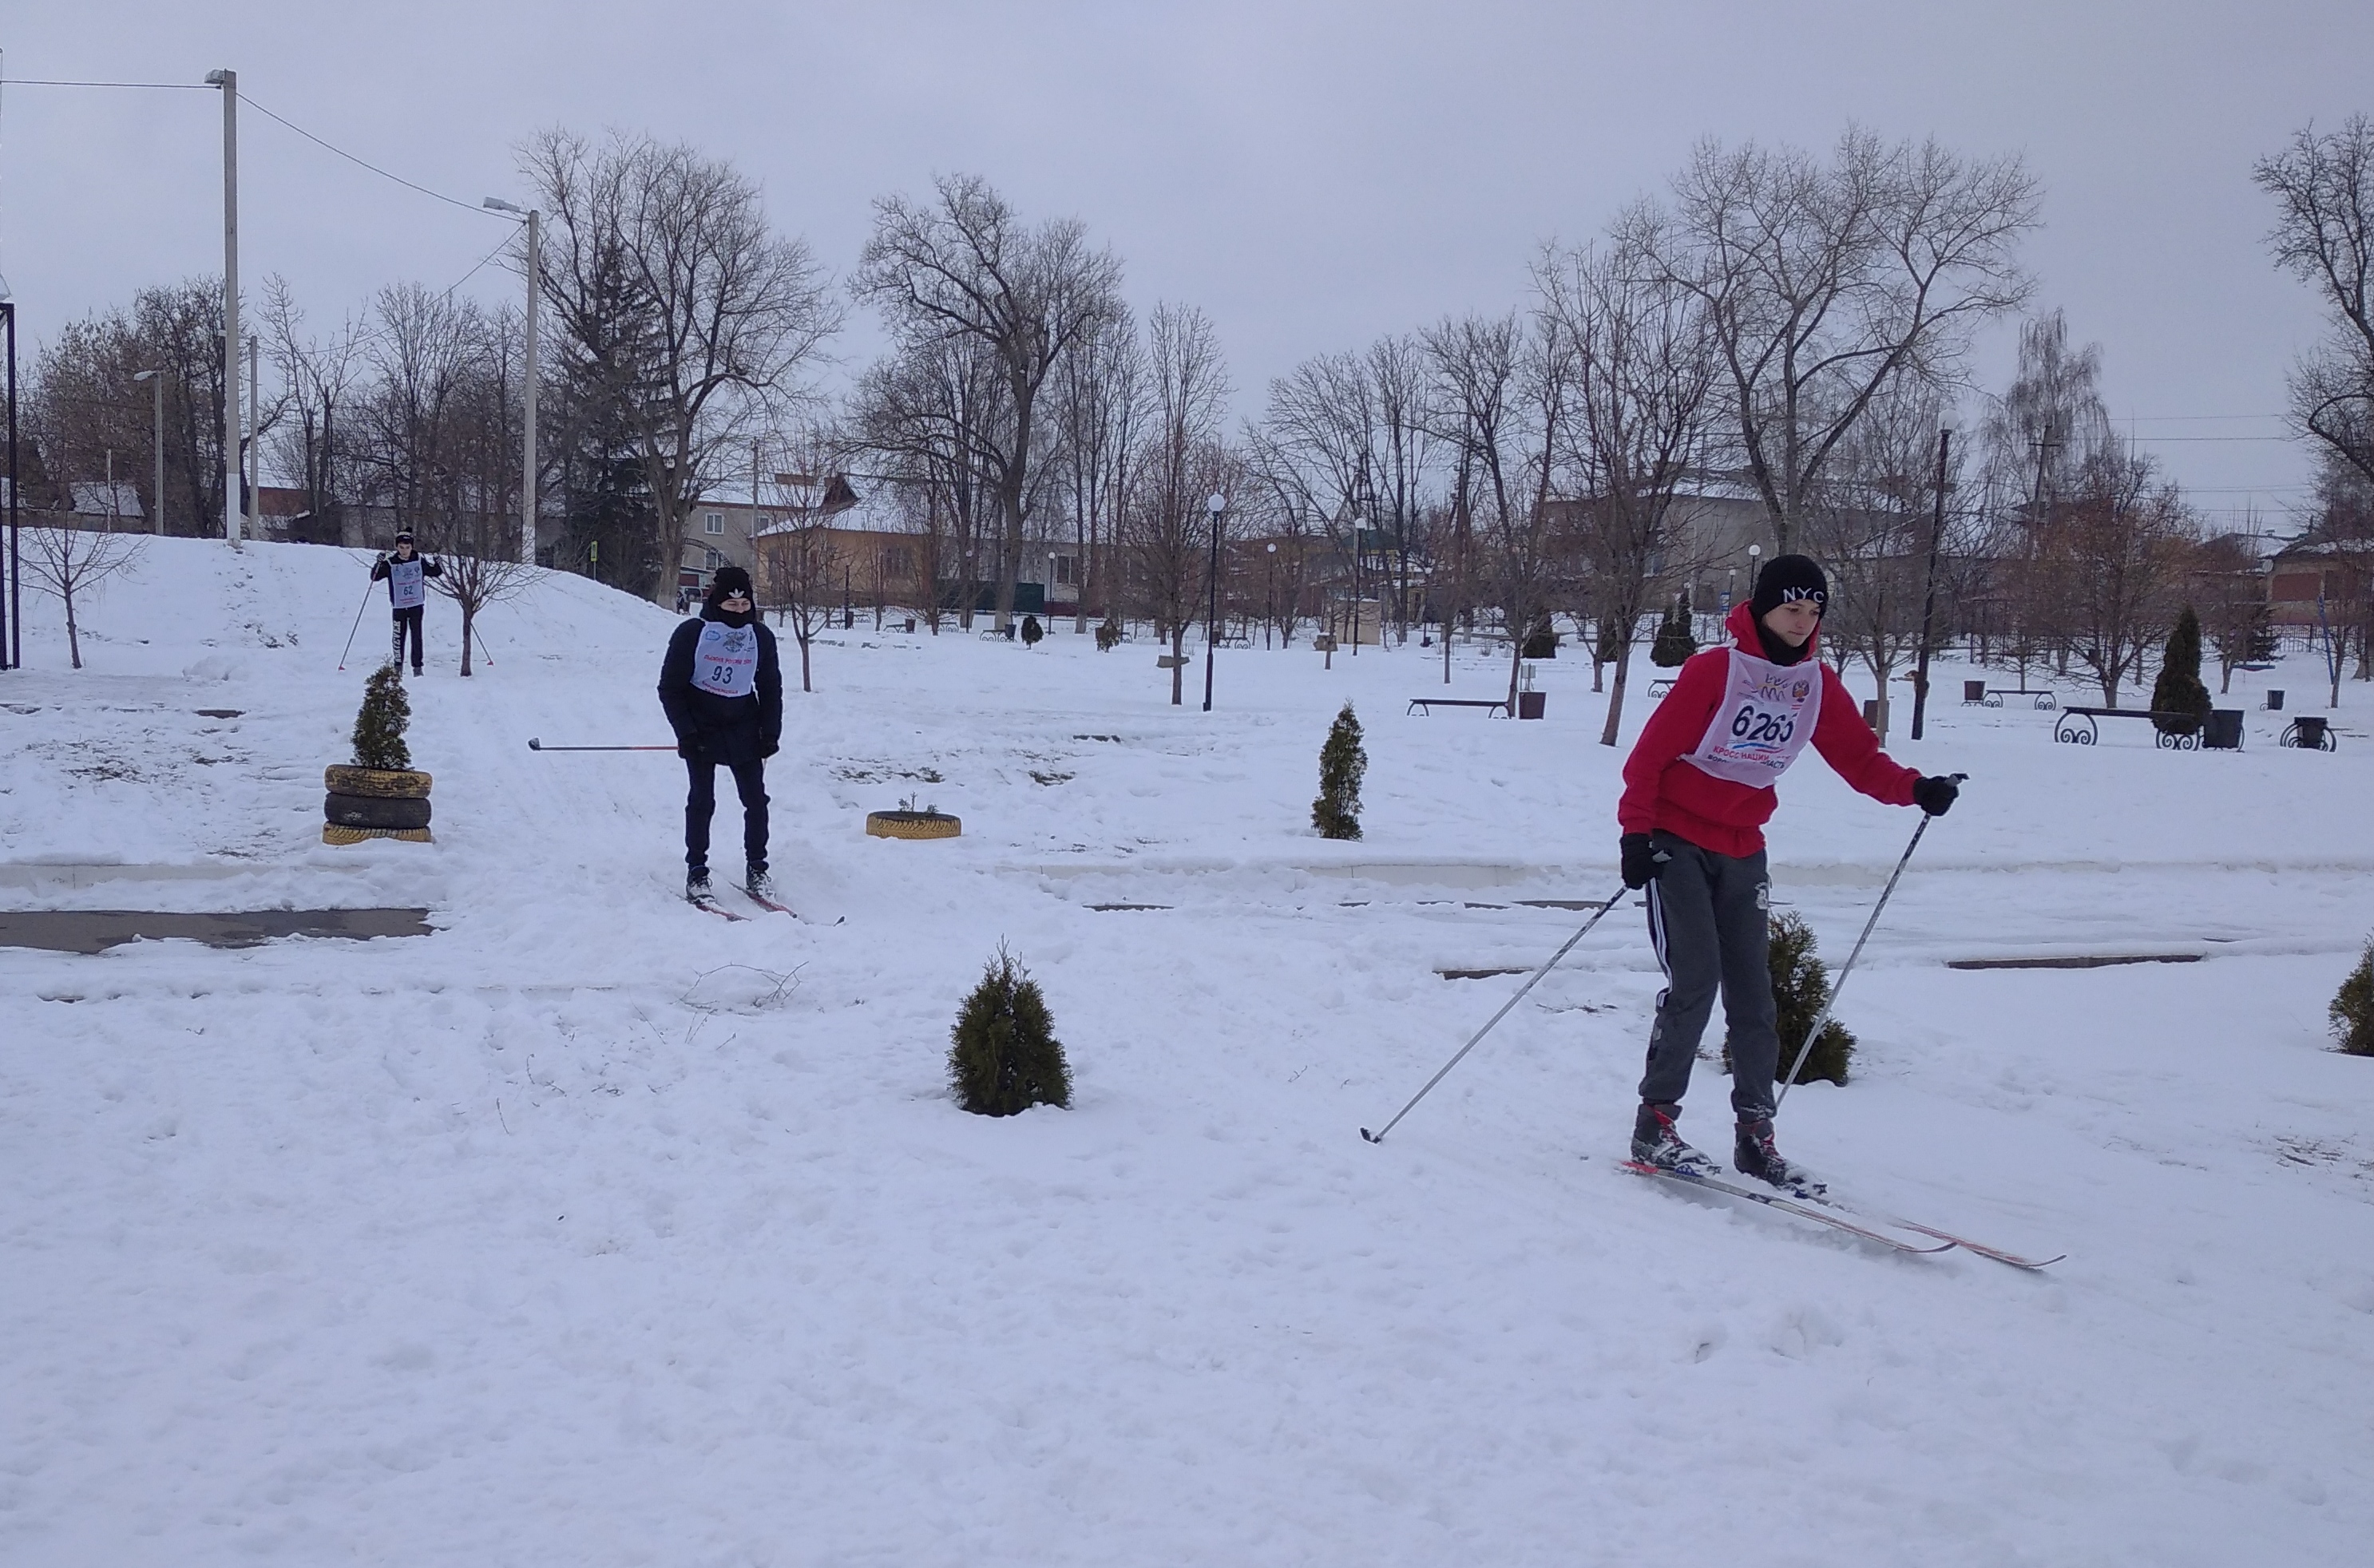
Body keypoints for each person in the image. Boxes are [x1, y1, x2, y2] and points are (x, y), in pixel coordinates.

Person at [1617, 553, 1960, 1190]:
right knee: (1696, 980)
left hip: (1744, 846)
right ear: (1761, 608)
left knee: (1753, 993)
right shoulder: (1713, 671)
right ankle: (1654, 1123)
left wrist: (1916, 790)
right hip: (1675, 841)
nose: (1801, 622)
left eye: (1812, 611)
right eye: (1790, 608)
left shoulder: (1817, 686)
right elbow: (1648, 758)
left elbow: (1861, 761)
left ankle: (1755, 1137)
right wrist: (1635, 834)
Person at [658, 566, 783, 902]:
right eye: (732, 608)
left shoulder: (761, 636)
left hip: (744, 724)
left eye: (745, 607)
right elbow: (670, 688)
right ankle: (697, 873)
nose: (740, 613)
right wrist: (685, 732)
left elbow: (770, 687)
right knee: (702, 800)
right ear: (717, 603)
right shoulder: (692, 633)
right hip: (701, 725)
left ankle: (757, 867)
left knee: (756, 800)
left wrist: (770, 732)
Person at [370, 532, 443, 676]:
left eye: (407, 547)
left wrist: (438, 563)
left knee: (417, 636)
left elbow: (434, 572)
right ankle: (398, 667)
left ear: (412, 547)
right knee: (398, 636)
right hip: (399, 606)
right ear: (397, 547)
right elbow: (375, 577)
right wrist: (377, 563)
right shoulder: (391, 563)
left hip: (416, 604)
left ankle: (417, 667)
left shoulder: (419, 560)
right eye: (401, 547)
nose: (404, 551)